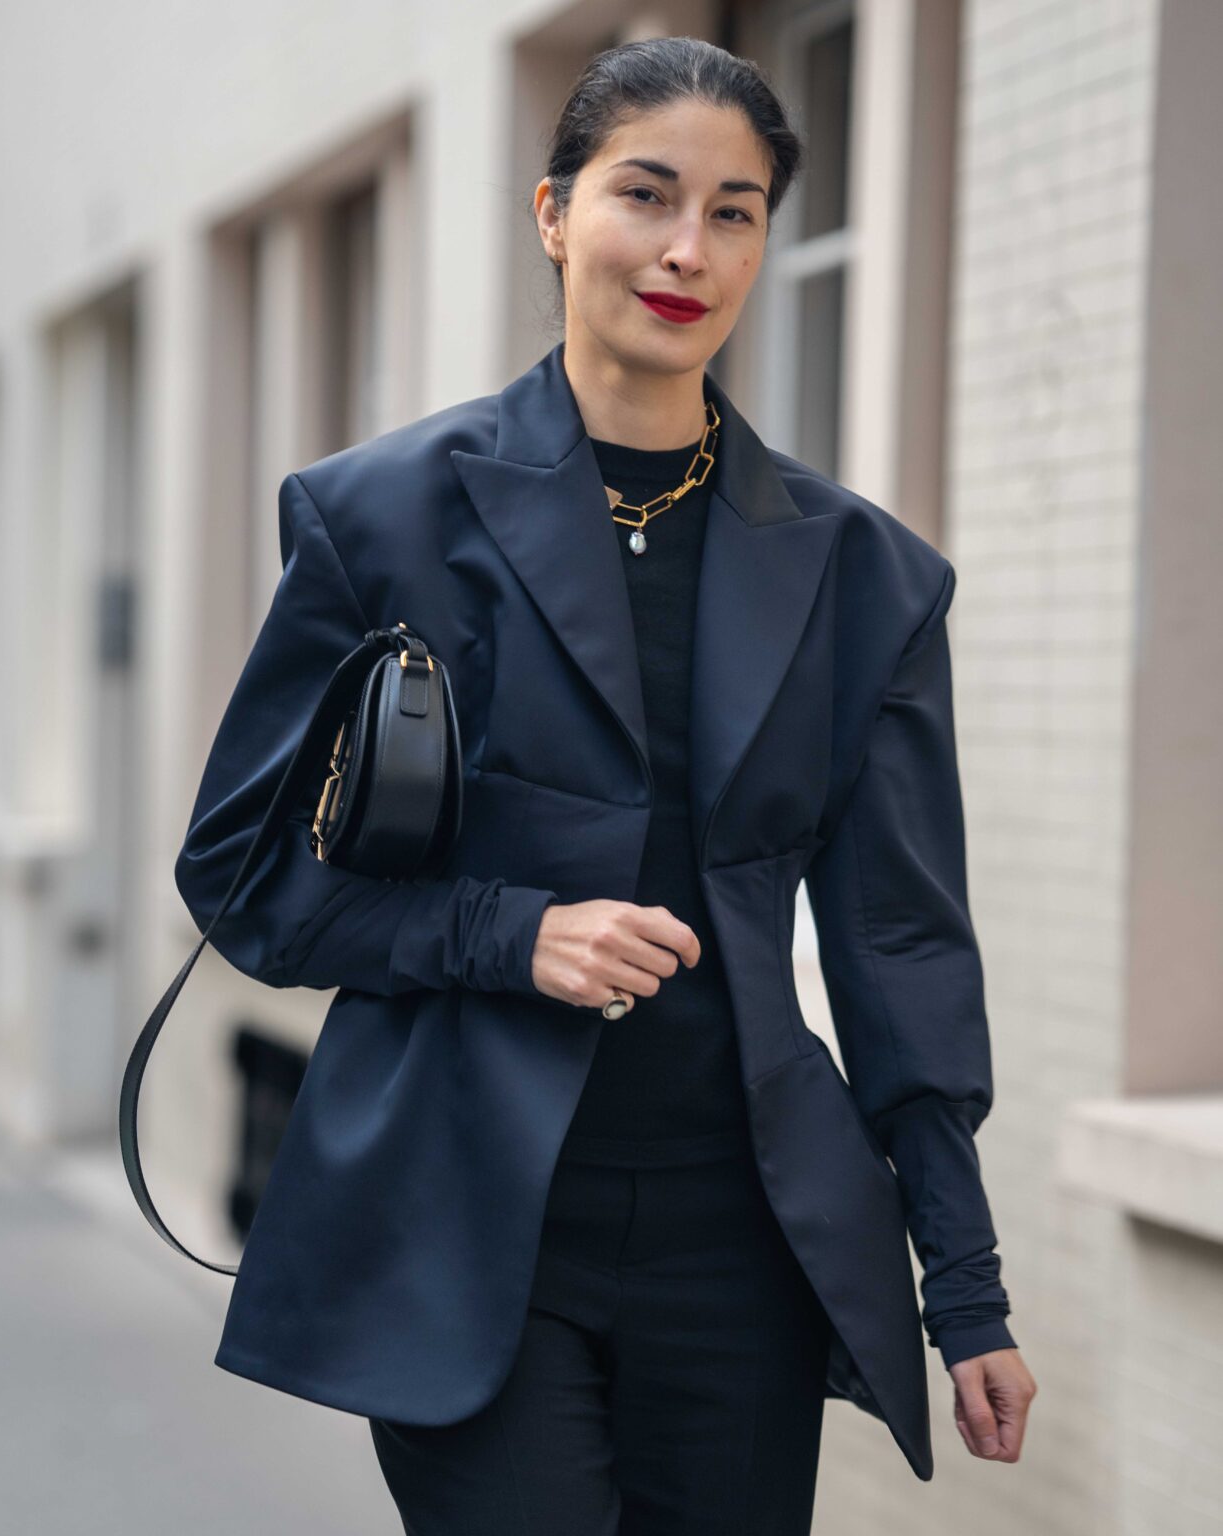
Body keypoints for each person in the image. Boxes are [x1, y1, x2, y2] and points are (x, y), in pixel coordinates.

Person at [175, 35, 1036, 1535]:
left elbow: (901, 944)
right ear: (554, 212)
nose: (685, 250)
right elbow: (243, 879)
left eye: (735, 210)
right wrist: (512, 937)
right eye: (646, 194)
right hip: (465, 1225)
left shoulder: (863, 575)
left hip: (742, 1244)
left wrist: (964, 1287)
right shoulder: (378, 516)